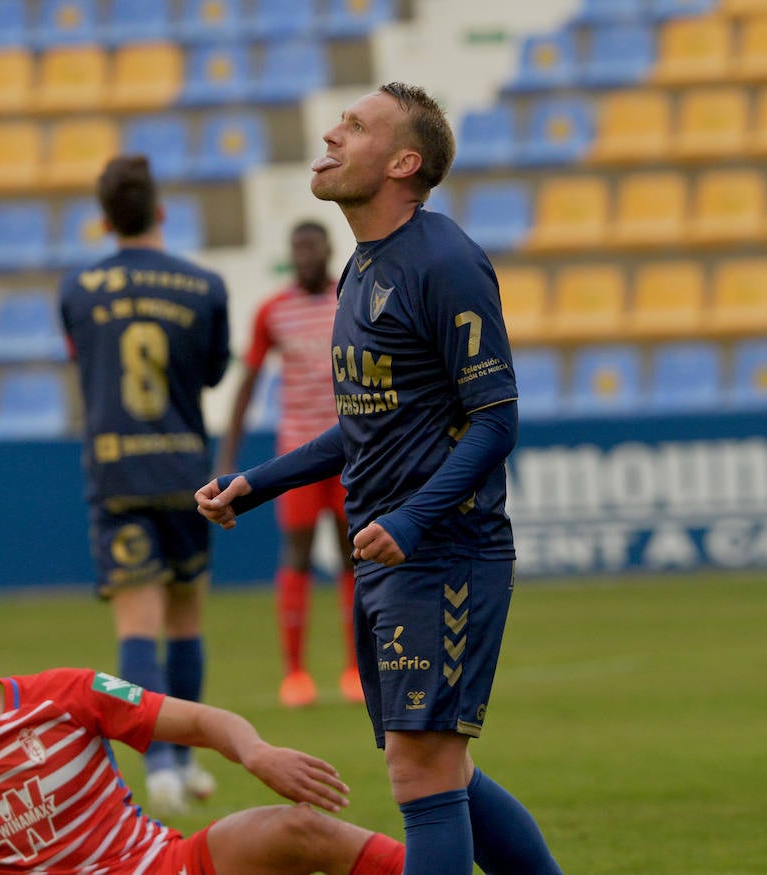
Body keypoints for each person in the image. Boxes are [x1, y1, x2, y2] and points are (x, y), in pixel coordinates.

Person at [196, 83, 564, 875]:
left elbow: (496, 418)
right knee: (440, 766)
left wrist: (413, 517)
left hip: (444, 551)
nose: (331, 135)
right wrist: (257, 483)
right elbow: (366, 423)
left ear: (403, 162)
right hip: (389, 553)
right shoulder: (363, 268)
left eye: (355, 126)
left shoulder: (446, 261)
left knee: (421, 770)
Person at [0, 593, 405, 875]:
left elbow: (201, 722)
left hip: (158, 865)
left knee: (301, 829)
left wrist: (256, 752)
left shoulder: (68, 693)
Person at [57, 154, 230, 816]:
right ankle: (182, 759)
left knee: (138, 625)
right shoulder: (205, 285)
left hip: (116, 471)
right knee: (186, 617)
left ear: (104, 221)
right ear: (161, 212)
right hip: (186, 471)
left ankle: (158, 767)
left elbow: (84, 362)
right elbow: (212, 373)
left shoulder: (78, 288)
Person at [216, 219, 360, 709]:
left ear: (328, 249)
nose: (305, 255)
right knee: (297, 553)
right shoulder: (273, 311)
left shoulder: (350, 299)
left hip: (351, 448)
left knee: (353, 552)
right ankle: (295, 673)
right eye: (298, 247)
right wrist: (227, 457)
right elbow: (249, 382)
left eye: (312, 246)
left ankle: (355, 669)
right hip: (299, 451)